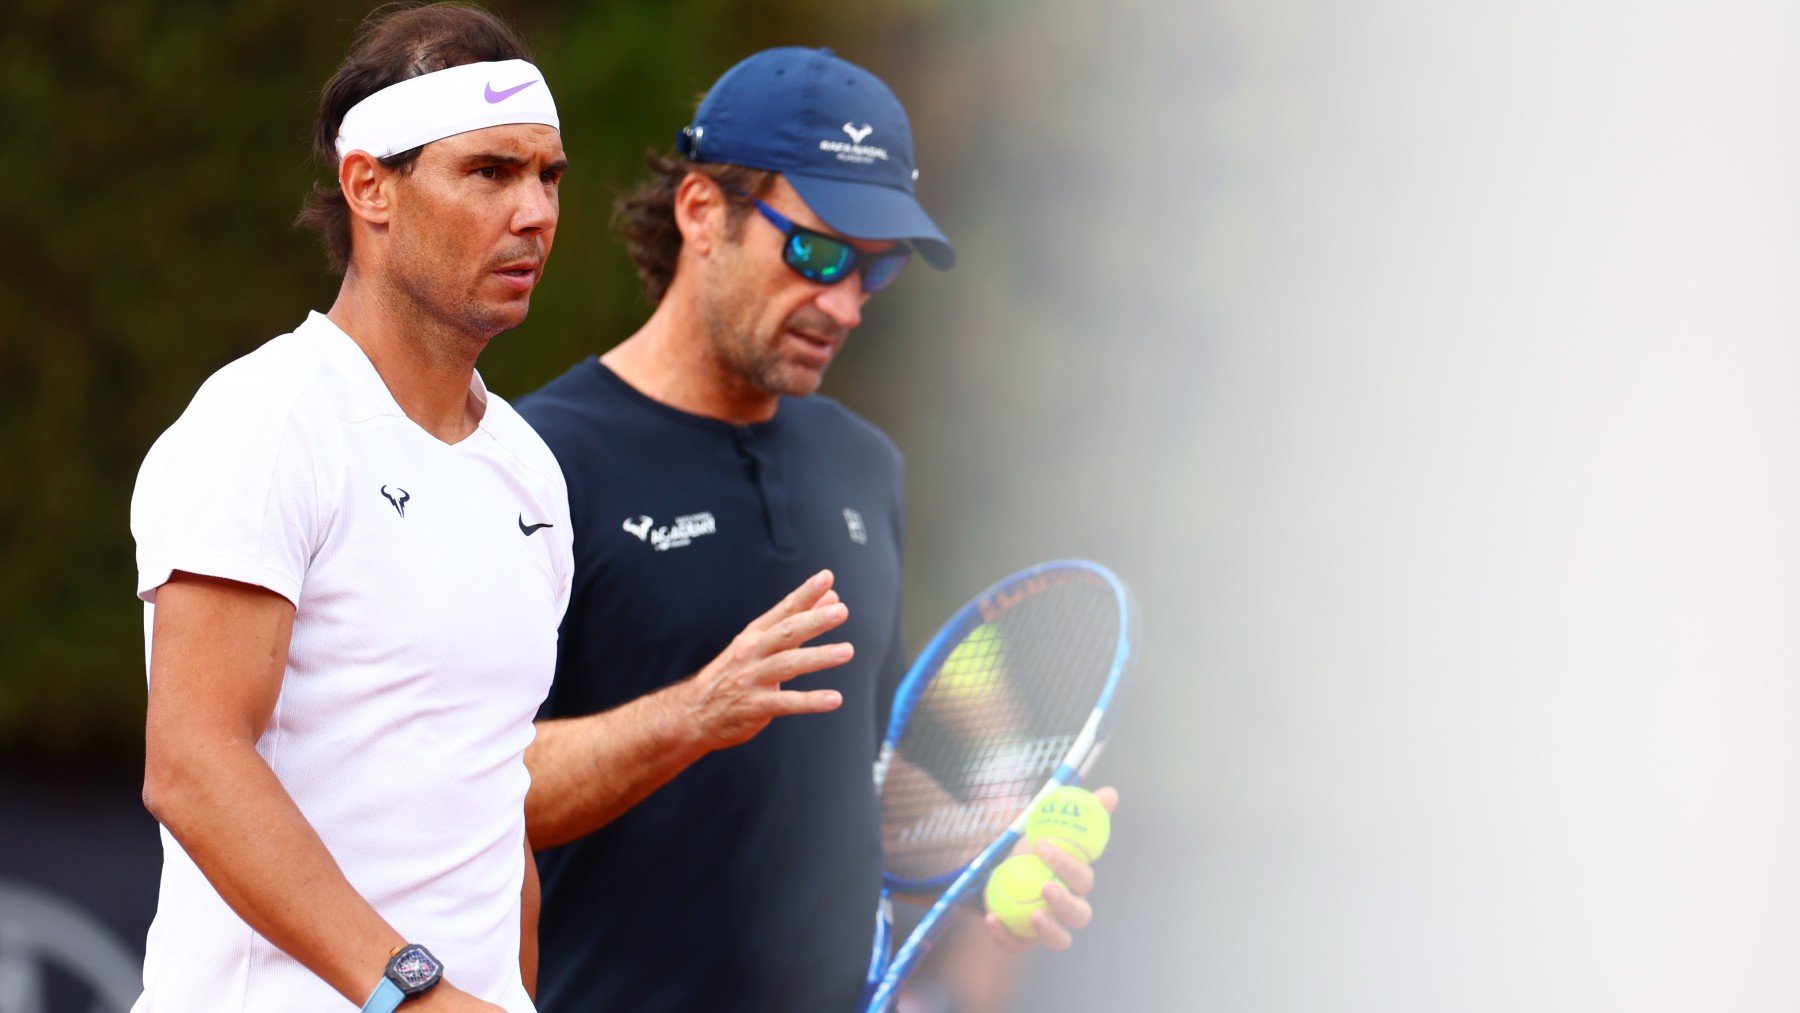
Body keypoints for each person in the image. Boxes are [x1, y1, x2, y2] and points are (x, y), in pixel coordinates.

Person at [517, 47, 1115, 1012]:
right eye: (820, 250)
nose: (844, 302)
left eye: (876, 270)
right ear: (702, 211)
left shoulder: (863, 464)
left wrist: (991, 848)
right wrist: (692, 713)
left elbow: (856, 778)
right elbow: (466, 789)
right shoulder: (537, 457)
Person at [130, 6, 571, 1010]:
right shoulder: (265, 421)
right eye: (491, 172)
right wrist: (414, 994)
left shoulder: (531, 472)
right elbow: (194, 762)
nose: (536, 212)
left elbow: (491, 808)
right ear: (368, 184)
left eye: (548, 176)